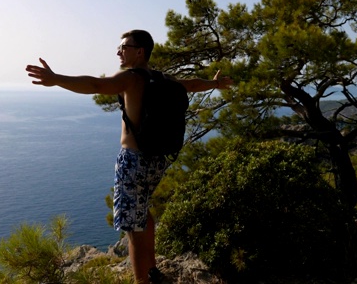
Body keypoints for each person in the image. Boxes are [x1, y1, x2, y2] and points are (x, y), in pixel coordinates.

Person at [25, 29, 232, 284]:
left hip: (133, 161)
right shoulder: (162, 78)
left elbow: (96, 85)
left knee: (133, 228)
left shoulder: (131, 79)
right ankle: (153, 270)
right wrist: (215, 84)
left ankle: (141, 281)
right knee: (143, 212)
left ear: (140, 51)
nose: (118, 51)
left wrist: (56, 79)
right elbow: (190, 85)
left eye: (124, 46)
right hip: (158, 160)